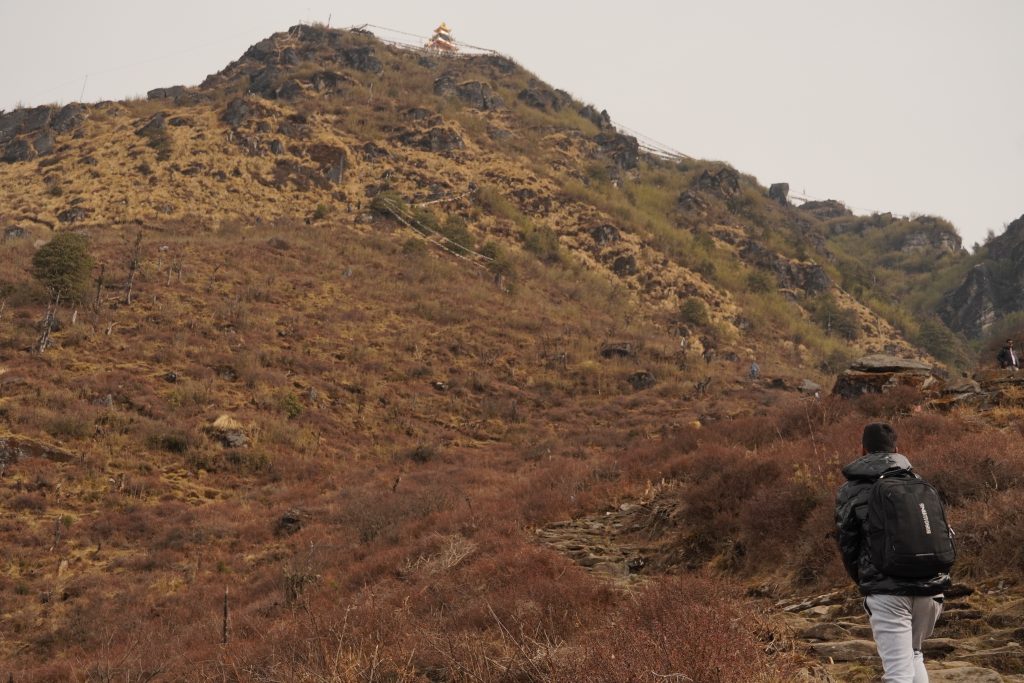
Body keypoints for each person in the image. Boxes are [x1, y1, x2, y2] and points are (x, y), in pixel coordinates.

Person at [835, 423, 950, 682]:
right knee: (914, 654)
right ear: (897, 450)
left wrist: (867, 582)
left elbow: (848, 543)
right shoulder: (918, 481)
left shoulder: (851, 490)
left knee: (897, 673)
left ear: (862, 449)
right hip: (931, 587)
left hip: (887, 591)